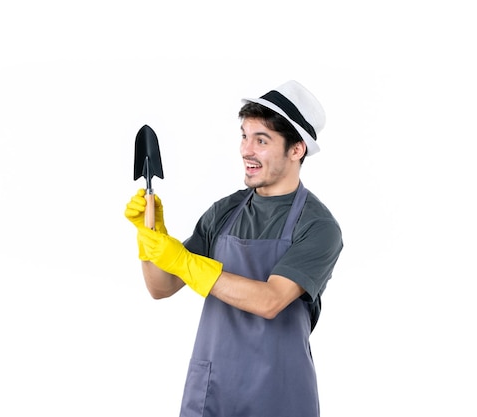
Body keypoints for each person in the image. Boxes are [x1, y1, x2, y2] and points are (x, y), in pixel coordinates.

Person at [125, 80, 343, 417]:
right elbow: (161, 287)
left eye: (261, 140)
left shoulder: (317, 226)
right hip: (213, 391)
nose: (246, 150)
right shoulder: (224, 212)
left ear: (296, 149)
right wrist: (149, 238)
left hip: (278, 395)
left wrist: (185, 261)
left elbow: (270, 301)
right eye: (244, 136)